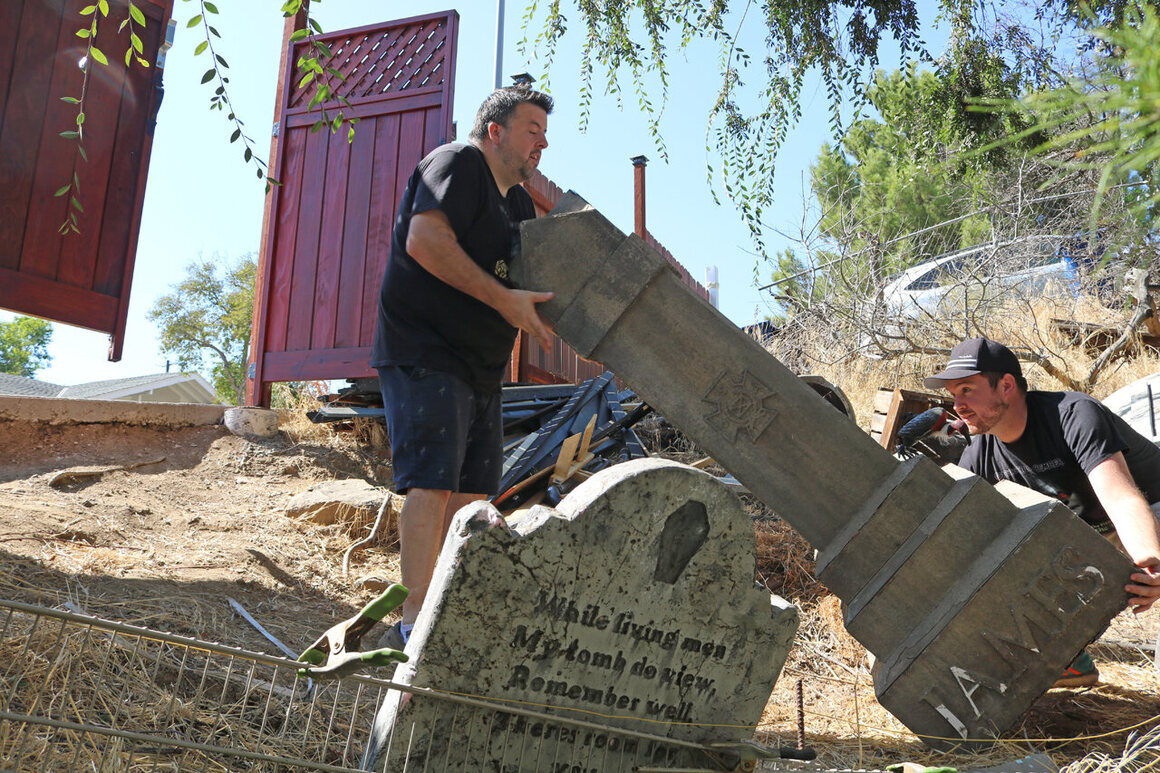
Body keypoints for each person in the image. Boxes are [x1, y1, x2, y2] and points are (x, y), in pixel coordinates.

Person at [370, 85, 556, 649]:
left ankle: (451, 620)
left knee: (473, 497)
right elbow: (425, 240)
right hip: (427, 351)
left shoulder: (519, 204)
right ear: (495, 130)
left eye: (544, 135)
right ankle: (413, 627)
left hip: (480, 367)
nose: (542, 143)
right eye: (532, 129)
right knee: (430, 486)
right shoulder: (457, 163)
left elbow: (538, 281)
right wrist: (505, 302)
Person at [925, 337, 1160, 686]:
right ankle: (1068, 658)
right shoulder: (980, 456)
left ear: (1006, 386)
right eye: (953, 394)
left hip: (1147, 512)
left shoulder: (1072, 414)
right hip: (1091, 535)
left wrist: (1151, 564)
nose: (957, 405)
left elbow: (1122, 498)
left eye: (967, 390)